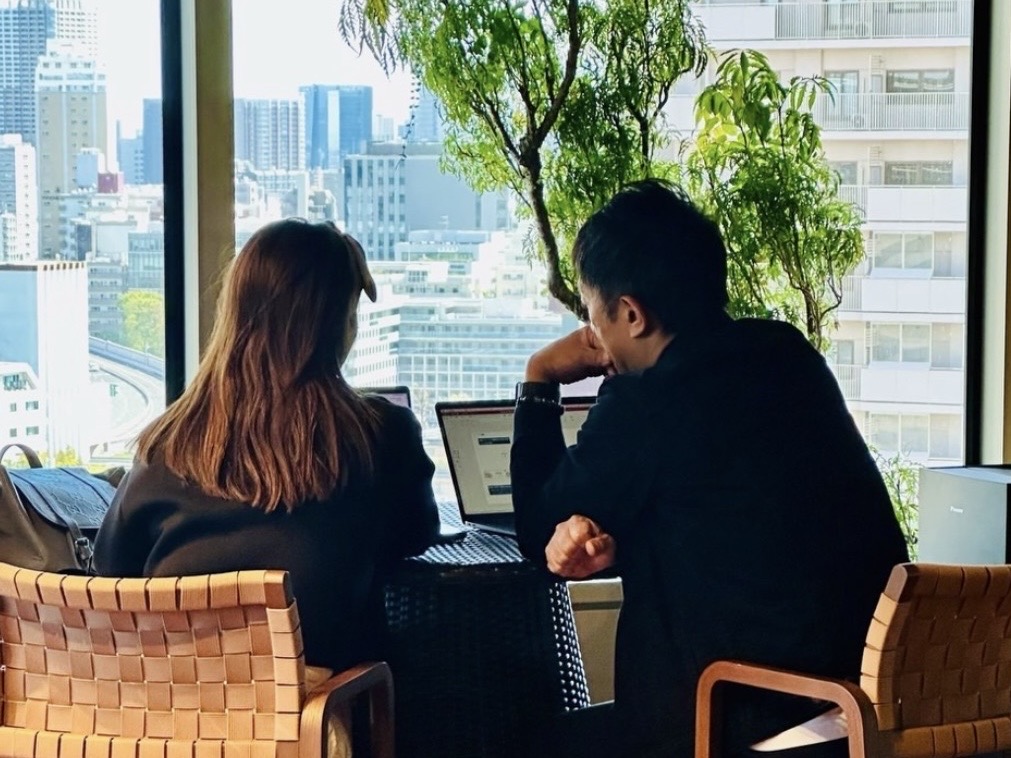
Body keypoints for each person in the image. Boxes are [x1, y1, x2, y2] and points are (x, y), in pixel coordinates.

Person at [510, 179, 909, 757]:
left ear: (630, 314)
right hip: (865, 706)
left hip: (743, 715)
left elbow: (535, 530)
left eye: (593, 314)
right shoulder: (789, 355)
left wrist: (540, 377)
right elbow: (738, 513)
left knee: (522, 737)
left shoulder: (649, 401)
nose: (593, 335)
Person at [94, 218, 439, 673]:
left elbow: (110, 570)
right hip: (316, 708)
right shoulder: (379, 435)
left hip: (175, 707)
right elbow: (417, 532)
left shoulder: (167, 445)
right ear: (337, 323)